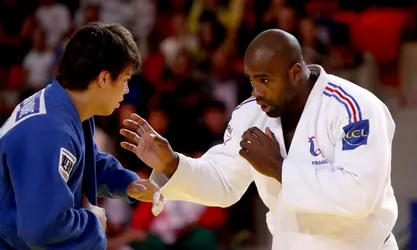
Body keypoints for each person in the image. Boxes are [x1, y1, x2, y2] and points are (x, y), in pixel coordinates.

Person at [120, 29, 398, 250]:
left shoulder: (354, 108)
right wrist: (172, 163)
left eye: (265, 80)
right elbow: (223, 182)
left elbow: (359, 195)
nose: (256, 91)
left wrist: (279, 169)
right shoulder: (251, 114)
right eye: (252, 80)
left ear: (295, 73)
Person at [0, 22, 164, 250]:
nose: (127, 90)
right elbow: (41, 229)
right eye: (126, 79)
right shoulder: (49, 131)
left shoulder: (63, 106)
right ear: (104, 78)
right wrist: (92, 224)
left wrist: (128, 183)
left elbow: (83, 161)